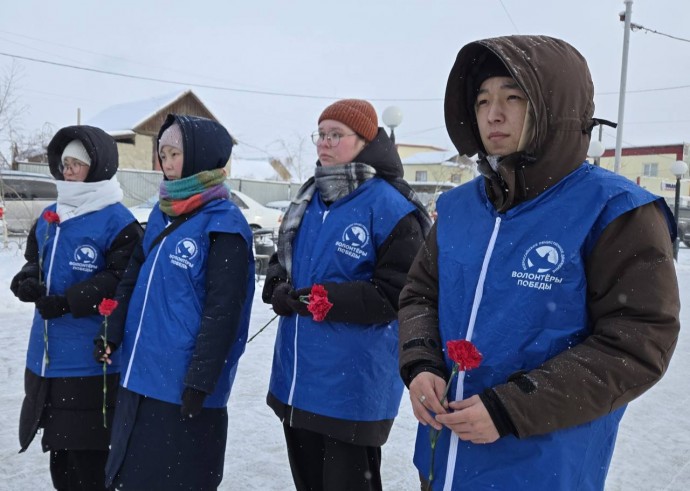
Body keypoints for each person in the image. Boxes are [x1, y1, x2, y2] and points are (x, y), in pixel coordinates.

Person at [398, 35, 681, 490]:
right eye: (483, 99)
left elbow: (638, 340)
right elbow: (419, 295)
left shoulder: (615, 211)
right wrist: (421, 363)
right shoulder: (458, 208)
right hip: (443, 459)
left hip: (541, 467)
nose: (493, 113)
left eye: (513, 97)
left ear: (555, 108)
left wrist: (513, 407)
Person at [262, 98, 432, 491]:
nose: (324, 143)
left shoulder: (390, 205)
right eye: (320, 134)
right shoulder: (308, 199)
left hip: (352, 388)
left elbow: (397, 294)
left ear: (365, 141)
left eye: (336, 134)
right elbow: (280, 261)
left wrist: (322, 299)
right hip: (298, 379)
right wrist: (279, 289)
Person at [97, 114, 255, 490]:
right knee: (129, 476)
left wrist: (201, 381)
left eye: (174, 154)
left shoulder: (225, 225)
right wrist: (112, 331)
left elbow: (224, 313)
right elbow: (132, 278)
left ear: (201, 157)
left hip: (180, 387)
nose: (165, 163)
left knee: (174, 479)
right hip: (139, 374)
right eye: (162, 153)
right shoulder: (162, 211)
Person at [10, 125, 143, 491]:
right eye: (65, 163)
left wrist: (70, 302)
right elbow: (35, 258)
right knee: (61, 457)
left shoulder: (118, 221)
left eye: (76, 164)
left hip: (89, 361)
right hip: (46, 359)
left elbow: (121, 277)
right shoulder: (52, 214)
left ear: (97, 166)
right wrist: (28, 279)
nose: (67, 171)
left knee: (89, 460)